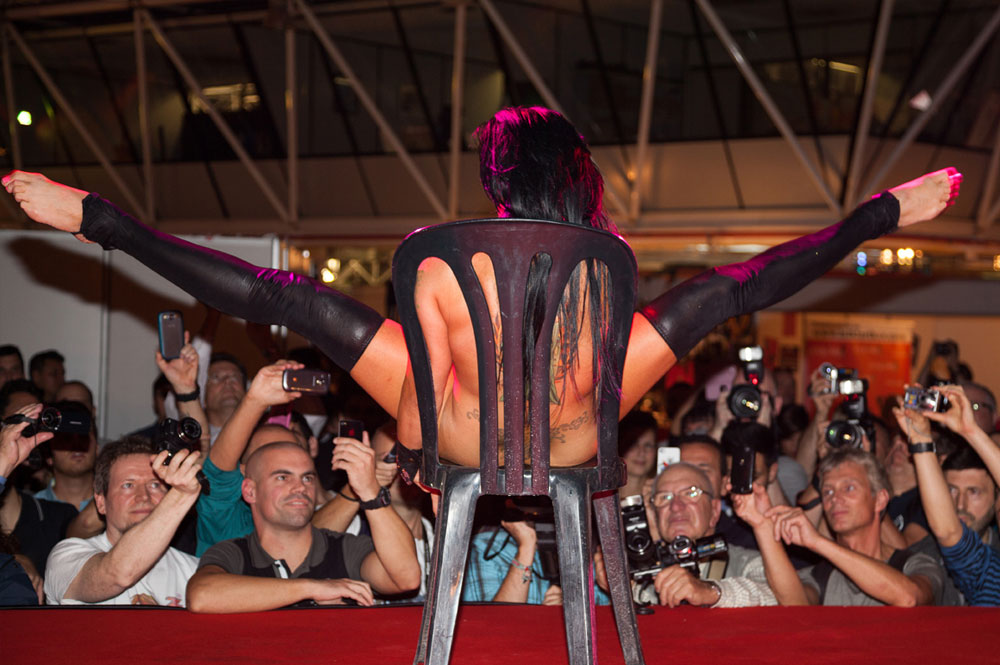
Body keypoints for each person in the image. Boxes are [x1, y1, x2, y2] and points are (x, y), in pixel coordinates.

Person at [2, 107, 961, 471]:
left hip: (454, 432)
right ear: (577, 179)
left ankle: (103, 222)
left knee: (289, 299)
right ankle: (877, 214)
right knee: (725, 292)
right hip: (575, 434)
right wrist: (876, 213)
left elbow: (283, 306)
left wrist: (102, 219)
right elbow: (754, 279)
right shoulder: (604, 262)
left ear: (499, 182)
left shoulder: (442, 256)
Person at [186, 441, 421, 611]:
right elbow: (201, 596)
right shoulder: (234, 553)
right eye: (283, 477)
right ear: (250, 491)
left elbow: (406, 579)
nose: (300, 487)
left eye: (307, 478)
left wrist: (370, 491)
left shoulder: (343, 548)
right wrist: (312, 589)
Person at [767, 448, 945, 606]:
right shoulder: (821, 575)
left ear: (880, 500)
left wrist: (817, 542)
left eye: (849, 488)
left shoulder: (915, 564)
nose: (835, 498)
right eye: (828, 491)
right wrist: (762, 525)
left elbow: (908, 598)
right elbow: (795, 605)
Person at [44, 436, 202, 605]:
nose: (143, 496)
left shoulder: (193, 571)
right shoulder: (67, 558)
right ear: (101, 503)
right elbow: (116, 575)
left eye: (155, 485)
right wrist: (181, 495)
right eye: (128, 485)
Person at [635, 462, 803, 607]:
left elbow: (781, 598)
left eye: (691, 493)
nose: (676, 506)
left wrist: (709, 592)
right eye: (664, 497)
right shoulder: (643, 569)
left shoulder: (746, 562)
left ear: (715, 510)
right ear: (655, 514)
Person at [893, 384, 1000, 605]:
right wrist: (921, 440)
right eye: (952, 490)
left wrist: (973, 433)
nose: (961, 504)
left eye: (974, 492)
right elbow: (948, 532)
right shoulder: (988, 571)